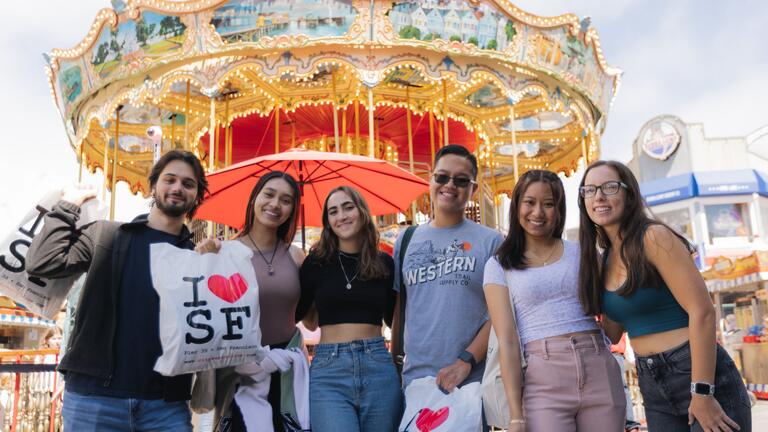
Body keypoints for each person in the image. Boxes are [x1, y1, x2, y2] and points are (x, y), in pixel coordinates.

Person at [26, 150, 208, 431]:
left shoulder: (197, 258)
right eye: (169, 179)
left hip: (164, 406)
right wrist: (68, 205)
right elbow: (42, 261)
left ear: (197, 195)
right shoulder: (108, 236)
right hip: (95, 399)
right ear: (154, 186)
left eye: (188, 183)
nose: (177, 188)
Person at [578, 160, 752, 432]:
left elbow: (703, 311)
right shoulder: (603, 260)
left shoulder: (653, 238)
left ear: (629, 194)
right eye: (589, 190)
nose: (598, 196)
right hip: (652, 383)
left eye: (609, 187)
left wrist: (702, 392)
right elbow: (611, 333)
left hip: (697, 372)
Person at [483, 169, 625, 432]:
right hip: (542, 376)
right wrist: (516, 416)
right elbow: (508, 340)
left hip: (597, 364)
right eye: (530, 202)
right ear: (516, 207)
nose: (538, 212)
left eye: (548, 204)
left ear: (559, 210)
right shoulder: (499, 265)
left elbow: (613, 329)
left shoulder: (583, 253)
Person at [391, 145, 502, 419]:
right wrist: (395, 365)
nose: (449, 185)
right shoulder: (405, 242)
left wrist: (466, 360)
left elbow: (502, 315)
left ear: (473, 189)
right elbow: (399, 310)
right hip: (416, 383)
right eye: (442, 177)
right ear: (431, 179)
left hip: (470, 382)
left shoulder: (491, 242)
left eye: (461, 180)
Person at [195, 171, 306, 432]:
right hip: (239, 370)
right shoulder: (224, 251)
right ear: (254, 198)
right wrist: (202, 260)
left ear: (292, 210)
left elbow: (306, 315)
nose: (275, 204)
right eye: (268, 194)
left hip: (285, 369)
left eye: (286, 200)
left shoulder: (297, 256)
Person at [297, 185, 401, 432]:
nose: (341, 216)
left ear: (362, 211)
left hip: (377, 364)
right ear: (328, 221)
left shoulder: (384, 263)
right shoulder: (315, 262)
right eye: (333, 211)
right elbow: (302, 316)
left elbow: (393, 318)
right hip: (329, 369)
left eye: (347, 207)